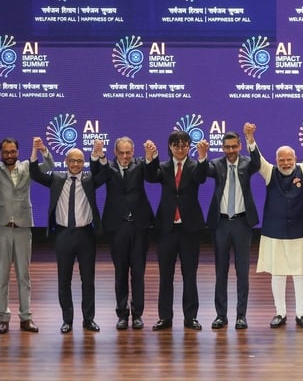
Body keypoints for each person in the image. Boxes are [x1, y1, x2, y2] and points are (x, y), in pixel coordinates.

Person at [0, 135, 53, 334]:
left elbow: (48, 165)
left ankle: (26, 317)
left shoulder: (27, 167)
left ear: (18, 152)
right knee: (2, 276)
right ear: (0, 153)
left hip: (23, 227)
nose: (9, 155)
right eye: (6, 152)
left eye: (13, 151)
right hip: (1, 228)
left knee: (24, 276)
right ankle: (3, 317)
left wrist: (42, 149)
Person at [30, 140, 106, 333]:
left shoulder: (89, 180)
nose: (75, 164)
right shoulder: (57, 179)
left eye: (79, 161)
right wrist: (38, 151)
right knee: (64, 280)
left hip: (86, 234)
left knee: (88, 280)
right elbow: (35, 174)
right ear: (66, 161)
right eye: (72, 160)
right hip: (63, 234)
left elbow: (105, 174)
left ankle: (88, 319)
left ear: (83, 163)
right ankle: (67, 320)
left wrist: (100, 155)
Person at [254, 126, 303, 330]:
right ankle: (280, 313)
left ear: (295, 159)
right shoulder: (269, 172)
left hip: (301, 231)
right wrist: (250, 138)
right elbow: (257, 159)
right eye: (282, 160)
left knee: (301, 274)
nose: (285, 163)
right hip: (275, 232)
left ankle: (301, 314)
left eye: (289, 159)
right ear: (276, 161)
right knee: (277, 273)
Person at [144, 131, 209, 332]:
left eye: (184, 145)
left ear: (189, 147)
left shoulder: (195, 166)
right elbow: (150, 177)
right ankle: (165, 317)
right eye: (176, 145)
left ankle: (191, 317)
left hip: (190, 229)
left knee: (190, 275)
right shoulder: (163, 167)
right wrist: (150, 158)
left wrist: (203, 156)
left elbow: (202, 178)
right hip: (166, 229)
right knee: (166, 276)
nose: (180, 149)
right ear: (170, 147)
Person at [91, 137, 154, 331]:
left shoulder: (140, 165)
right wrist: (96, 156)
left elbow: (152, 174)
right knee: (120, 272)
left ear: (133, 151)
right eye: (121, 153)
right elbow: (95, 178)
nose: (125, 156)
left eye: (128, 152)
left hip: (139, 226)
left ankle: (137, 314)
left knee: (138, 272)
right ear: (115, 153)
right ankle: (122, 314)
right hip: (117, 227)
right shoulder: (107, 167)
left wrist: (150, 157)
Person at [206, 124, 261, 331]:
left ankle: (241, 315)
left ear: (239, 146)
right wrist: (202, 156)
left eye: (234, 147)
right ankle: (221, 315)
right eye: (227, 147)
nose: (230, 151)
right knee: (221, 271)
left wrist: (251, 138)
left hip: (241, 223)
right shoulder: (216, 164)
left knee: (242, 271)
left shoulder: (247, 163)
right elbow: (203, 172)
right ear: (222, 148)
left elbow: (257, 162)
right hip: (220, 223)